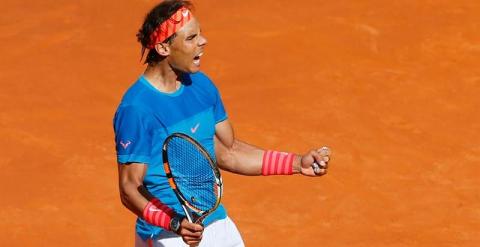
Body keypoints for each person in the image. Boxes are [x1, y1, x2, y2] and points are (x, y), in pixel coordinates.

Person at [113, 1, 331, 246]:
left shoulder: (201, 86)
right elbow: (130, 187)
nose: (203, 41)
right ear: (164, 47)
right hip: (168, 234)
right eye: (191, 38)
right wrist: (175, 223)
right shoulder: (137, 109)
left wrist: (296, 162)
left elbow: (228, 151)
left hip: (215, 222)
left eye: (200, 33)